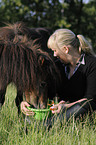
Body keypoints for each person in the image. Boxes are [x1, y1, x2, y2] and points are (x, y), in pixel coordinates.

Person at [46, 28, 96, 123]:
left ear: (65, 49)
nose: (54, 54)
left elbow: (91, 99)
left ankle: (46, 125)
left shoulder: (92, 64)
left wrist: (67, 106)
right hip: (62, 113)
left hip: (85, 113)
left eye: (55, 50)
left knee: (87, 104)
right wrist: (26, 103)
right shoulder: (57, 65)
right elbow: (48, 90)